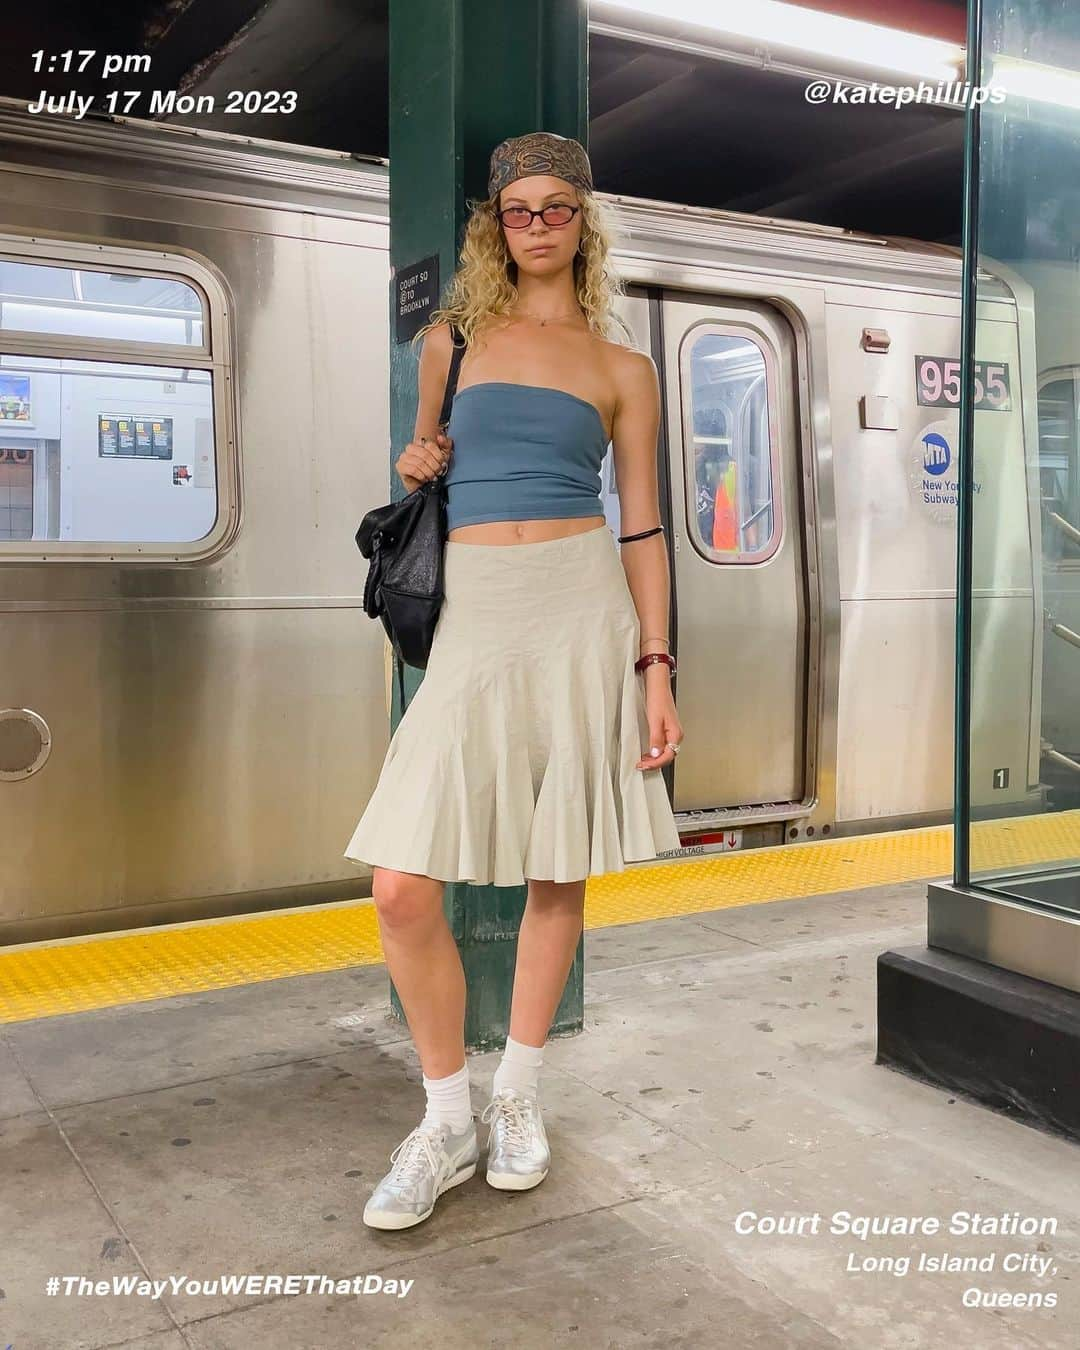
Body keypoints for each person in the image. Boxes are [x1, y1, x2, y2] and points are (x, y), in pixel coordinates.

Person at [344, 131, 684, 1230]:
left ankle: (518, 1098)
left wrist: (657, 664)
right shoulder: (453, 338)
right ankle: (446, 1118)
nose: (537, 225)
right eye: (519, 210)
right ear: (496, 226)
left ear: (586, 224)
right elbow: (422, 466)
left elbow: (642, 526)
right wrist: (414, 461)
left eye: (558, 208)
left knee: (556, 863)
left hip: (583, 607)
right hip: (478, 614)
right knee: (402, 884)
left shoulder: (623, 368)